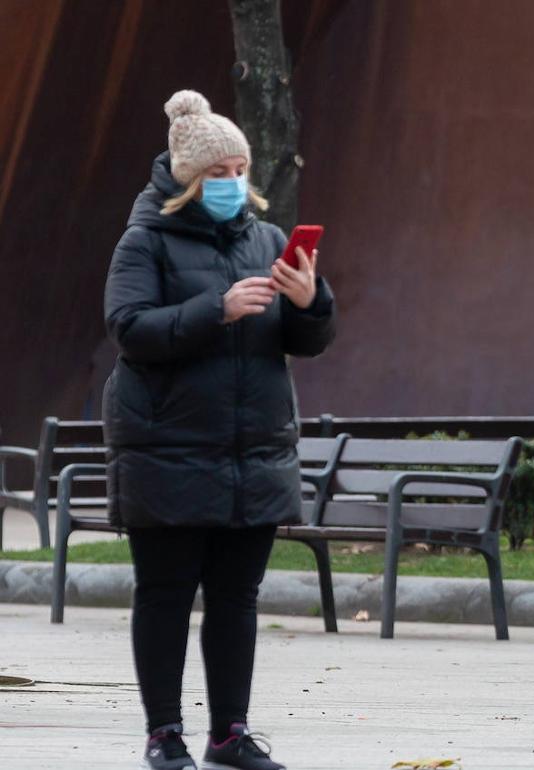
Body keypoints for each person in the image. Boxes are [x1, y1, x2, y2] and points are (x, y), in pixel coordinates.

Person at [103, 90, 336, 770]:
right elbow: (129, 329)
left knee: (237, 599)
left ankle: (230, 734)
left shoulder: (267, 240)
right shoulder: (144, 240)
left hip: (252, 451)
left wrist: (310, 303)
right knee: (166, 594)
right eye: (218, 173)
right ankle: (164, 733)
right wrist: (218, 308)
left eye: (240, 170)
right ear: (187, 178)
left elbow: (307, 340)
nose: (234, 183)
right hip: (167, 451)